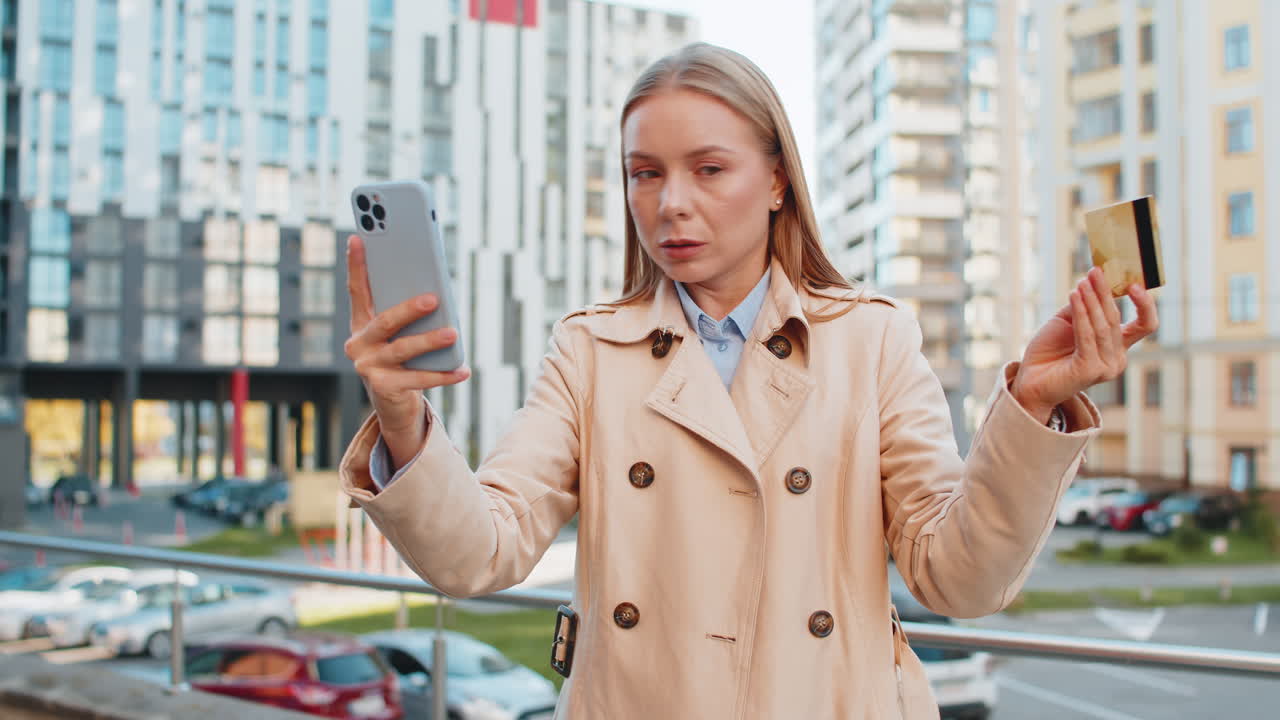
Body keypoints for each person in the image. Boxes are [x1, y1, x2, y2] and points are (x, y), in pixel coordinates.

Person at [339, 42, 1157, 720]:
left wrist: (1030, 406)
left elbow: (962, 579)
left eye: (708, 169)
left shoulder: (872, 339)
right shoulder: (588, 350)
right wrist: (404, 416)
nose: (670, 205)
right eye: (645, 173)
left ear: (775, 182)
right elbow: (480, 554)